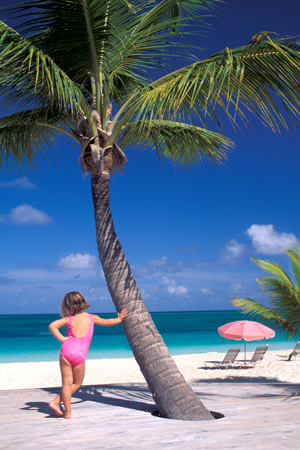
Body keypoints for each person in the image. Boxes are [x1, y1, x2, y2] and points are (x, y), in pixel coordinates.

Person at [48, 291, 128, 419]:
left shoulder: (69, 319)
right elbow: (108, 322)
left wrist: (62, 339)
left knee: (66, 384)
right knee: (77, 383)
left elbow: (52, 325)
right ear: (83, 303)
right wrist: (119, 319)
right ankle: (56, 402)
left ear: (68, 306)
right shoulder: (92, 318)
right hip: (79, 354)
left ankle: (67, 413)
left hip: (66, 350)